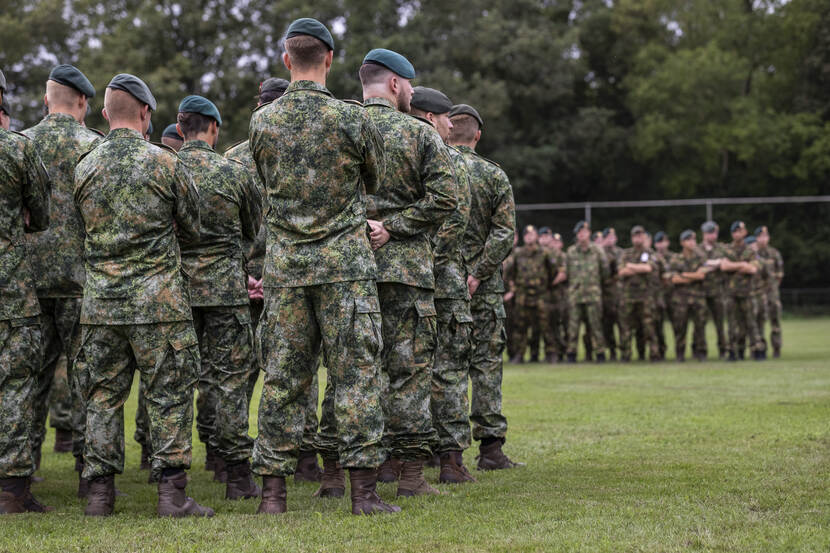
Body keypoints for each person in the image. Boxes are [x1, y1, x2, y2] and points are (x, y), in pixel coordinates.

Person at [248, 18, 397, 516]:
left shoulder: (262, 122)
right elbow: (373, 180)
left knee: (283, 378)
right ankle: (363, 495)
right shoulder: (354, 120)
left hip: (287, 269)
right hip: (345, 268)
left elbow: (265, 184)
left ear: (287, 61)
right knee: (356, 375)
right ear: (329, 59)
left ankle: (272, 496)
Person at [73, 73, 213, 517]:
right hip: (159, 305)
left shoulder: (84, 165)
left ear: (104, 113)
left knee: (102, 399)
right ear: (147, 113)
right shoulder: (166, 163)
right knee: (168, 397)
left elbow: (82, 234)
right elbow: (193, 228)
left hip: (101, 306)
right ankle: (172, 497)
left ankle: (99, 497)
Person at [357, 49, 456, 495]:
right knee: (410, 372)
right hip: (406, 272)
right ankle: (411, 477)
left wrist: (361, 227)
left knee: (356, 371)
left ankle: (360, 472)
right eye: (411, 86)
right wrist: (394, 227)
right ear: (395, 84)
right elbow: (444, 198)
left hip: (351, 269)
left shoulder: (341, 125)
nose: (413, 94)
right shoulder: (418, 133)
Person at [225, 76, 322, 485]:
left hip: (245, 276)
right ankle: (304, 457)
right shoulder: (306, 153)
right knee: (300, 368)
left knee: (239, 372)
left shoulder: (231, 159)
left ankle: (231, 464)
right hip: (291, 273)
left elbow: (220, 227)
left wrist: (243, 274)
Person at [175, 95, 263, 500]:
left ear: (180, 129)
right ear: (213, 127)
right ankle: (237, 476)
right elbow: (252, 230)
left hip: (176, 291)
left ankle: (172, 478)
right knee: (230, 382)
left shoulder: (167, 168)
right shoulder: (234, 172)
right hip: (227, 290)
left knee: (175, 381)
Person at [21, 65, 102, 495]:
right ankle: (92, 475)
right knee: (87, 378)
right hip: (81, 282)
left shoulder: (21, 144)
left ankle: (24, 468)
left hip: (27, 284)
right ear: (83, 102)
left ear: (45, 99)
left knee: (28, 379)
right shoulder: (94, 147)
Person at [407, 85, 476, 484]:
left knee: (403, 369)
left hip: (404, 275)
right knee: (446, 372)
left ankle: (416, 460)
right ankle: (447, 461)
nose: (453, 125)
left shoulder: (391, 149)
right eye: (448, 117)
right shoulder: (449, 161)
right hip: (442, 282)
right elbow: (453, 226)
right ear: (432, 118)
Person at [450, 102, 521, 469]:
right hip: (485, 287)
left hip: (441, 283)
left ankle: (441, 449)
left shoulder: (437, 167)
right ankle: (491, 450)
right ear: (478, 134)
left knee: (442, 364)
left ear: (448, 130)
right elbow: (504, 232)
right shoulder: (493, 175)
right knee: (486, 364)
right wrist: (478, 272)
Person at [0, 68, 53, 514]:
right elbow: (42, 212)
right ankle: (11, 492)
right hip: (11, 288)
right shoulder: (18, 149)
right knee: (15, 385)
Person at [505, 225, 557, 363]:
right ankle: (519, 354)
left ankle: (551, 353)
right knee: (520, 326)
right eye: (527, 235)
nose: (529, 237)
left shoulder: (544, 253)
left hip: (541, 294)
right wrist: (513, 287)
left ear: (536, 236)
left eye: (532, 234)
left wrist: (545, 284)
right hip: (523, 295)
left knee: (546, 325)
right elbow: (508, 272)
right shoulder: (518, 254)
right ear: (524, 238)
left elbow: (553, 271)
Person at [564, 221, 608, 362]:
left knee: (595, 326)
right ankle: (571, 354)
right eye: (579, 232)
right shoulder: (571, 252)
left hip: (592, 294)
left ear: (589, 233)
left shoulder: (597, 251)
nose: (582, 235)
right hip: (575, 295)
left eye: (584, 231)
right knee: (573, 327)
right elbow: (567, 273)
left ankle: (600, 353)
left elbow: (605, 272)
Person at [720, 221, 764, 361]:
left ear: (745, 232)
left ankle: (757, 350)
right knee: (732, 324)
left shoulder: (751, 250)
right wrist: (742, 264)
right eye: (735, 231)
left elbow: (753, 268)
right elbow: (724, 267)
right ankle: (732, 351)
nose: (737, 233)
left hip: (748, 293)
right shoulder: (727, 250)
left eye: (740, 231)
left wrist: (734, 266)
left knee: (752, 323)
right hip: (731, 293)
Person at [618, 226, 659, 362]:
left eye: (640, 235)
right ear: (632, 238)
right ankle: (626, 355)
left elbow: (648, 268)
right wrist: (638, 268)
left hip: (645, 296)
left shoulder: (650, 253)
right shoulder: (626, 253)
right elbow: (621, 272)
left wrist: (630, 266)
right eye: (635, 236)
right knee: (627, 327)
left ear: (644, 237)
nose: (638, 238)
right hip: (628, 296)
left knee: (648, 326)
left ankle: (653, 354)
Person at [667, 230, 708, 361]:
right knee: (680, 327)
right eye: (688, 240)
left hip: (698, 297)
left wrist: (683, 274)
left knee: (700, 326)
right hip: (680, 299)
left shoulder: (701, 257)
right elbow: (673, 279)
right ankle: (680, 353)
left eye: (694, 240)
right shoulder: (675, 259)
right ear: (682, 243)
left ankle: (700, 351)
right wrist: (693, 276)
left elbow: (702, 275)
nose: (692, 243)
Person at [699, 221, 728, 359]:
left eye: (714, 232)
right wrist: (715, 264)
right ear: (704, 234)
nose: (712, 235)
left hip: (718, 291)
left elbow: (725, 263)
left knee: (720, 323)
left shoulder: (722, 248)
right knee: (700, 323)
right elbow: (698, 266)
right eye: (710, 233)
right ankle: (701, 351)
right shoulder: (697, 249)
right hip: (701, 292)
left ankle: (723, 350)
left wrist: (709, 264)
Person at [754, 226, 784, 357]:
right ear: (756, 238)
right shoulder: (753, 253)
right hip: (758, 293)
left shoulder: (774, 253)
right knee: (759, 321)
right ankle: (761, 348)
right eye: (760, 236)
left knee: (775, 321)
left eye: (765, 236)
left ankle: (776, 347)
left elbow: (779, 275)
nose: (763, 239)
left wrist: (773, 288)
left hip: (772, 293)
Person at [543, 231, 568, 362]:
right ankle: (552, 351)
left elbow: (563, 274)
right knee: (549, 324)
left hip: (559, 295)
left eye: (558, 242)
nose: (555, 244)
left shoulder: (562, 256)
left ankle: (562, 349)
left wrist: (549, 283)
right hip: (547, 296)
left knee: (560, 324)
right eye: (554, 241)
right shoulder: (547, 255)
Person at [600, 227, 622, 360]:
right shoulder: (599, 253)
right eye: (607, 237)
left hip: (619, 295)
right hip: (604, 295)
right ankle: (612, 350)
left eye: (612, 237)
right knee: (607, 326)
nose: (610, 240)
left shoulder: (621, 253)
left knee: (622, 325)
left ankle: (624, 351)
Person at [652, 231, 672, 360]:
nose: (661, 245)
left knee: (677, 326)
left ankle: (679, 352)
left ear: (668, 242)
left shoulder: (674, 257)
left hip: (672, 296)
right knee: (657, 325)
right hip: (656, 297)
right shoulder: (651, 258)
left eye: (663, 241)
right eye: (658, 242)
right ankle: (660, 350)